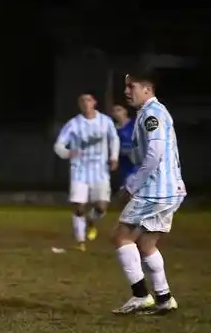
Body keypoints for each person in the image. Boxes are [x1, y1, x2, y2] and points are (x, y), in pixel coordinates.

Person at [112, 68, 186, 315]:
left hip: (156, 190)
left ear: (147, 89)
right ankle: (164, 298)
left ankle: (141, 296)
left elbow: (155, 154)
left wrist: (132, 185)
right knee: (146, 244)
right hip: (169, 189)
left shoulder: (152, 114)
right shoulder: (150, 112)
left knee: (121, 237)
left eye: (131, 86)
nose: (126, 91)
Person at [53, 92, 120, 251]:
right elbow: (58, 145)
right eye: (82, 101)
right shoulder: (73, 124)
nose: (85, 103)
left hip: (100, 170)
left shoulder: (105, 121)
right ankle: (80, 241)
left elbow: (114, 139)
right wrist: (68, 153)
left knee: (101, 207)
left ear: (94, 102)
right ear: (79, 105)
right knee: (78, 206)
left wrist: (114, 157)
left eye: (88, 100)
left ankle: (90, 220)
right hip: (79, 170)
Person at [111, 102, 137, 187]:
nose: (116, 113)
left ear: (125, 111)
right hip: (123, 161)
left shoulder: (134, 124)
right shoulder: (113, 128)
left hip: (136, 160)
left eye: (119, 110)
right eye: (113, 111)